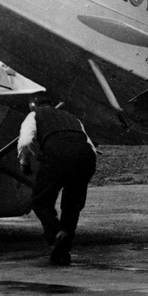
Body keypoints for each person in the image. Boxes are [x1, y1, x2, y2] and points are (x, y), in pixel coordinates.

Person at [17, 93, 99, 265]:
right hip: (85, 157)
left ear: (33, 105)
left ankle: (56, 235)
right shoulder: (73, 118)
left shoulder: (34, 115)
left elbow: (25, 141)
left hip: (57, 154)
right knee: (72, 205)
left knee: (40, 201)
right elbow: (90, 145)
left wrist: (24, 163)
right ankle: (64, 248)